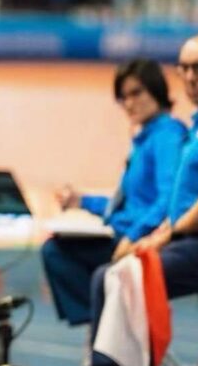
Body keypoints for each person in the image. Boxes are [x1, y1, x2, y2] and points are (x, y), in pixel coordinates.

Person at [91, 34, 198, 366]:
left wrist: (166, 234)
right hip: (196, 240)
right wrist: (160, 232)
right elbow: (184, 202)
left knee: (125, 278)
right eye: (184, 69)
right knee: (112, 275)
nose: (192, 77)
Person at [41, 59, 186, 328]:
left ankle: (106, 328)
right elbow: (129, 204)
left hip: (142, 239)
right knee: (57, 249)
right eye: (123, 97)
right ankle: (107, 326)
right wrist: (82, 201)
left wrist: (133, 236)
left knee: (56, 251)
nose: (129, 103)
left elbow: (170, 199)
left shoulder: (167, 135)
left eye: (136, 93)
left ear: (156, 89)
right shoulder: (144, 139)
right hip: (123, 231)